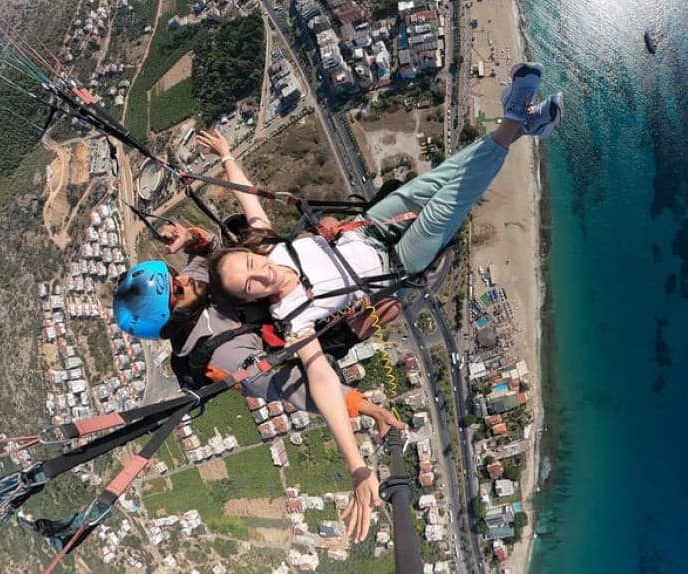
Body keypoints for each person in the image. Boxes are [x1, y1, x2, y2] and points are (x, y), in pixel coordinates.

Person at [202, 62, 562, 528]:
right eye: (249, 284)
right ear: (249, 299)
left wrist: (228, 155)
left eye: (251, 264)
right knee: (451, 200)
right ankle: (516, 117)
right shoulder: (291, 315)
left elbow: (248, 201)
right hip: (397, 262)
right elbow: (323, 384)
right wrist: (356, 466)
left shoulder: (273, 247)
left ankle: (529, 124)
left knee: (444, 176)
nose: (259, 274)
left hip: (371, 226)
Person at [113, 219, 405, 542]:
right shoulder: (219, 357)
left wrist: (190, 236)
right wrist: (364, 407)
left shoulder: (192, 284)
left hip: (281, 287)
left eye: (172, 275)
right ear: (172, 320)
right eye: (175, 291)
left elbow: (209, 252)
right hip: (299, 341)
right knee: (389, 305)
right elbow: (292, 385)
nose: (182, 280)